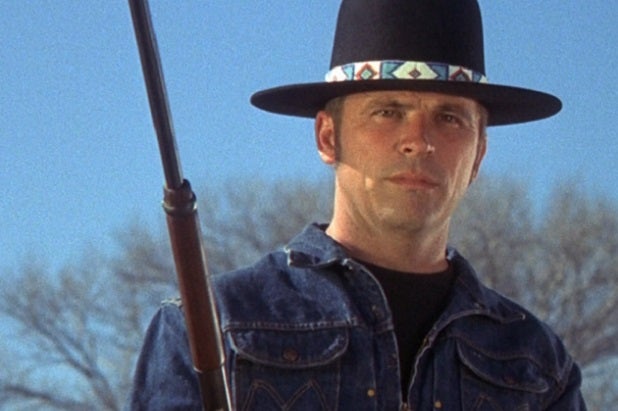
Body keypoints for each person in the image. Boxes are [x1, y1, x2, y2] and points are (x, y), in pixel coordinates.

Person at [127, 0, 586, 409]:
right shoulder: (211, 327)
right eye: (388, 112)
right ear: (328, 137)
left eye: (449, 118)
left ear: (478, 155)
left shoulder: (537, 366)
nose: (418, 141)